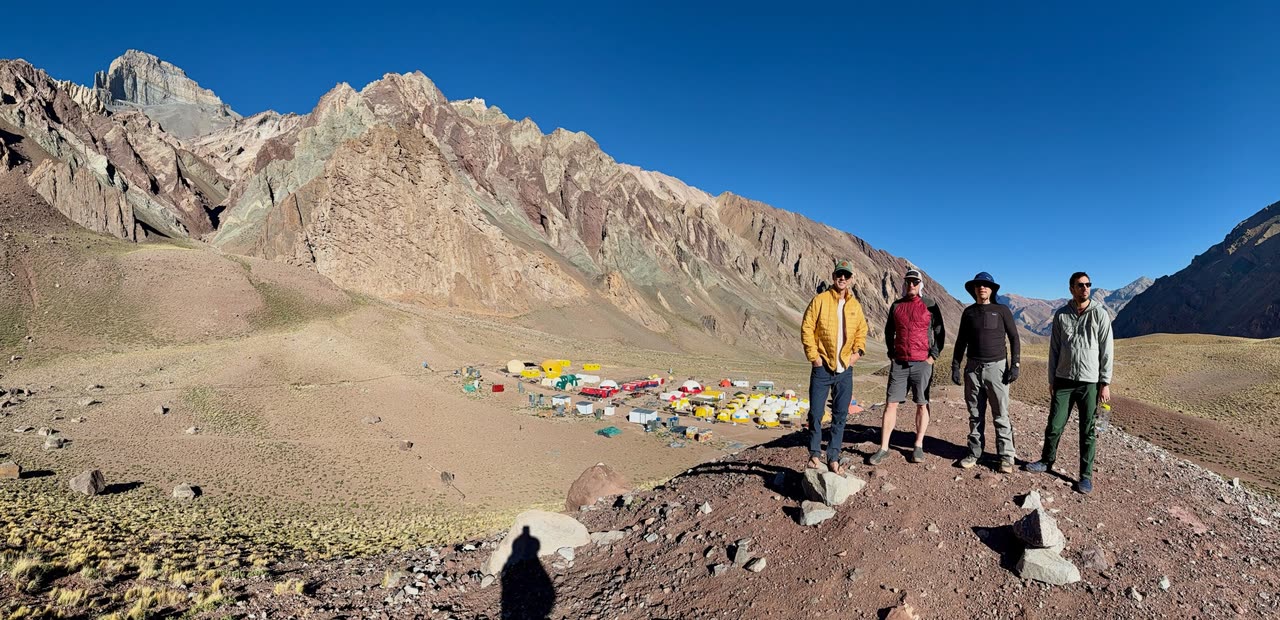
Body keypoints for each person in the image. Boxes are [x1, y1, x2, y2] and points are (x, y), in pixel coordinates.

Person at [1024, 271, 1114, 494]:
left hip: (1089, 382)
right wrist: (1051, 379)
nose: (1085, 288)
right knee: (1054, 425)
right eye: (1080, 285)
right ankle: (1046, 461)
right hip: (1063, 379)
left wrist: (1105, 382)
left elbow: (1107, 350)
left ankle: (1085, 476)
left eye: (1088, 284)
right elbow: (1054, 349)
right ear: (1071, 288)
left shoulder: (1100, 315)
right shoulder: (1061, 315)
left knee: (1087, 430)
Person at [868, 268, 945, 465]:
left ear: (920, 285)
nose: (911, 285)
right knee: (890, 404)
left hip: (922, 362)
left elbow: (940, 332)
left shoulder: (930, 305)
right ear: (904, 284)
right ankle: (884, 447)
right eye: (908, 282)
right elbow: (888, 331)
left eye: (915, 282)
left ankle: (918, 445)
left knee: (922, 403)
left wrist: (932, 357)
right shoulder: (896, 306)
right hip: (900, 363)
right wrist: (891, 353)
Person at [800, 258, 869, 474]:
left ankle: (834, 456)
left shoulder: (855, 306)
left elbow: (862, 332)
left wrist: (856, 354)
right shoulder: (820, 300)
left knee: (840, 415)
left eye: (846, 275)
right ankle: (814, 454)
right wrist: (814, 357)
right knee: (816, 413)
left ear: (851, 279)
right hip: (822, 367)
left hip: (844, 369)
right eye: (839, 274)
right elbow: (807, 328)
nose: (842, 278)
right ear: (833, 277)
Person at [950, 271, 1021, 473]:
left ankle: (1006, 456)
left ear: (992, 289)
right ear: (974, 289)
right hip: (972, 368)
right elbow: (961, 341)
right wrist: (955, 366)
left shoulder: (1001, 310)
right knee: (975, 414)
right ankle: (974, 453)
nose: (982, 288)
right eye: (978, 285)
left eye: (986, 285)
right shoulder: (969, 312)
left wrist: (1014, 365)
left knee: (1000, 414)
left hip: (996, 368)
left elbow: (1014, 338)